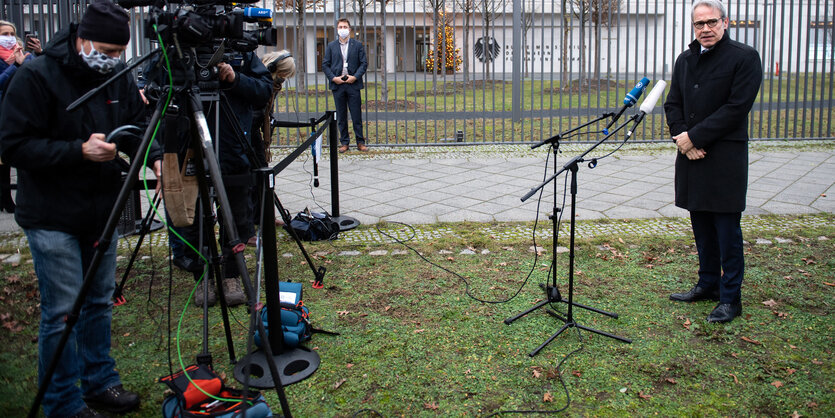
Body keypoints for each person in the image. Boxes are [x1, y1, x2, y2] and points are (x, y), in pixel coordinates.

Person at [0, 2, 163, 417]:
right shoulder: (35, 75)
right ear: (82, 39)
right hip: (52, 215)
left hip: (101, 210)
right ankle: (62, 402)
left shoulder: (117, 76)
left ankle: (100, 382)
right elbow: (13, 145)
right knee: (62, 311)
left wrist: (155, 154)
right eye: (105, 51)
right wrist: (78, 151)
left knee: (98, 300)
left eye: (117, 54)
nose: (111, 61)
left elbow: (137, 121)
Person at [664, 0, 762, 324]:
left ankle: (730, 298)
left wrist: (696, 137)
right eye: (698, 24)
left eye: (711, 22)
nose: (705, 29)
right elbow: (673, 104)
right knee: (701, 227)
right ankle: (707, 284)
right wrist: (683, 139)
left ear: (725, 22)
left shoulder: (744, 58)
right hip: (692, 156)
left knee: (726, 232)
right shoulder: (686, 59)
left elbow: (736, 108)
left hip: (724, 159)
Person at [0, 20, 37, 213]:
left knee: (8, 160)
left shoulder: (22, 54)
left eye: (11, 34)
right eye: (4, 34)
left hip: (15, 111)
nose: (9, 38)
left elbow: (32, 76)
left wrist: (29, 58)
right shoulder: (7, 60)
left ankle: (7, 198)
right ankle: (4, 197)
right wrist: (13, 66)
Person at [322, 18, 368, 153]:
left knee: (356, 115)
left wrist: (355, 77)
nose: (343, 29)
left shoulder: (357, 45)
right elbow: (325, 64)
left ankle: (360, 142)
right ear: (337, 29)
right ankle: (344, 142)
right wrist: (333, 78)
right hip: (338, 84)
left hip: (353, 84)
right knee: (341, 116)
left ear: (350, 29)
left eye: (345, 27)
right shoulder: (331, 46)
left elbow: (363, 63)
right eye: (340, 27)